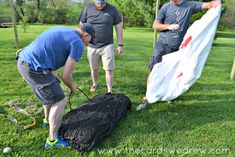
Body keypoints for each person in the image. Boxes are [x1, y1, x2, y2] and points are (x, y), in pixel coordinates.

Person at [17, 23, 95, 149]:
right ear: (86, 35)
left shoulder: (63, 29)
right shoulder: (77, 43)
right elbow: (66, 76)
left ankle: (47, 120)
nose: (88, 45)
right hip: (34, 68)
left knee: (50, 92)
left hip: (23, 62)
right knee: (60, 100)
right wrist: (73, 88)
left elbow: (46, 49)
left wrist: (51, 73)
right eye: (90, 41)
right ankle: (52, 140)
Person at [137, 0, 221, 110]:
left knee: (171, 73)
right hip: (162, 45)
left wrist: (214, 4)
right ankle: (147, 98)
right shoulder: (166, 7)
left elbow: (207, 5)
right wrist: (168, 26)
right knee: (154, 70)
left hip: (178, 49)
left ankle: (167, 96)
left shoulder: (190, 5)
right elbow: (155, 25)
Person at [78, 0, 123, 94]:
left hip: (107, 45)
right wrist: (81, 41)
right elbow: (81, 26)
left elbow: (118, 27)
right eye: (98, 3)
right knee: (94, 68)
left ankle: (109, 90)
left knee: (109, 69)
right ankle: (95, 84)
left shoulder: (112, 9)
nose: (100, 5)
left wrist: (120, 44)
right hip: (91, 45)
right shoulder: (87, 8)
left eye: (102, 3)